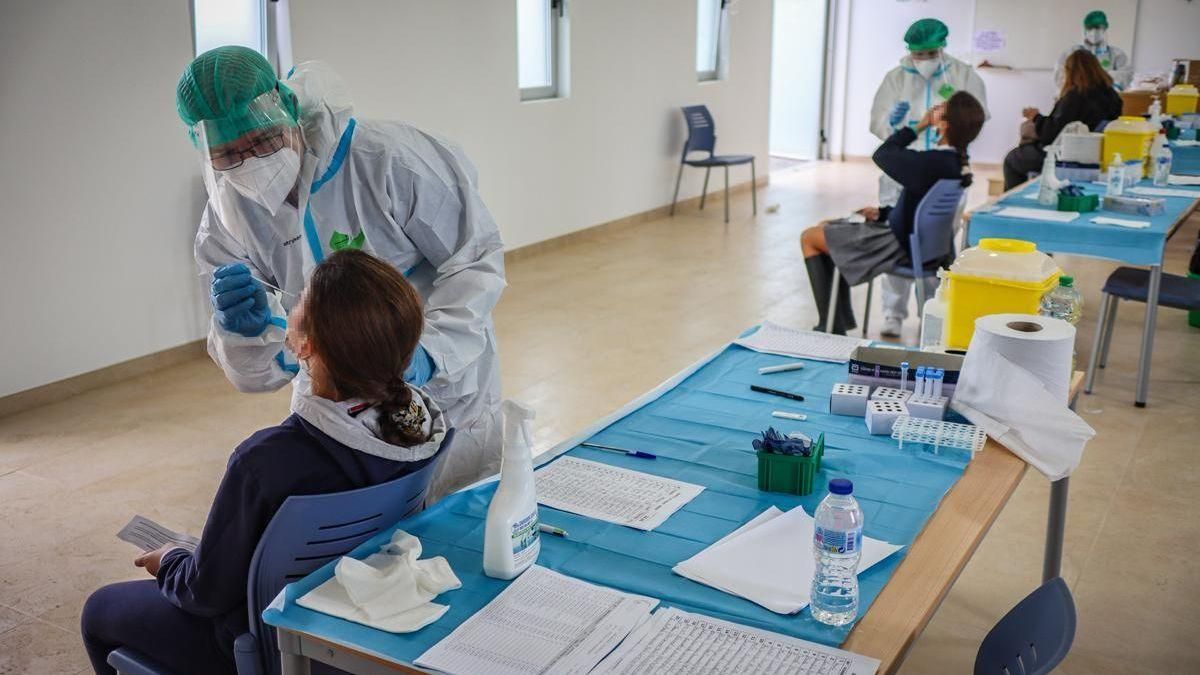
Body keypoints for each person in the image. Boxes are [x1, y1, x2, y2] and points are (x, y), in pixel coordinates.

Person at [81, 249, 451, 675]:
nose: (289, 306)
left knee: (98, 612)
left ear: (304, 343)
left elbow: (206, 594)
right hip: (354, 622)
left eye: (299, 302)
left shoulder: (263, 462)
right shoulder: (424, 429)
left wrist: (169, 561)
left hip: (260, 641)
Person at [176, 46, 505, 497]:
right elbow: (260, 373)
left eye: (263, 140)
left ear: (288, 107)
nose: (251, 163)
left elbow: (476, 260)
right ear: (203, 150)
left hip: (443, 389)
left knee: (456, 521)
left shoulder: (388, 159)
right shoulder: (227, 218)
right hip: (334, 413)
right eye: (229, 154)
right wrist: (247, 333)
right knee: (354, 539)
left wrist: (429, 352)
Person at [802, 92, 986, 335]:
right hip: (912, 240)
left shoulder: (931, 162)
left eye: (942, 108)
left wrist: (919, 126)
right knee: (826, 227)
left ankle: (831, 324)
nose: (937, 108)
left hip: (894, 245)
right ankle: (835, 322)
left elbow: (883, 153)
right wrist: (882, 213)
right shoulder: (954, 165)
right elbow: (921, 212)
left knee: (809, 237)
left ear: (944, 124)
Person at [868, 18, 989, 338]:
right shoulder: (895, 79)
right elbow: (877, 123)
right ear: (909, 52)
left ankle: (932, 310)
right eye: (918, 55)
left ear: (942, 49)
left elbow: (977, 117)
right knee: (897, 240)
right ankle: (893, 313)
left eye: (930, 53)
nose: (924, 60)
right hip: (903, 170)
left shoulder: (962, 75)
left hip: (943, 169)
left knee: (936, 244)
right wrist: (893, 125)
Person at [1004, 50, 1123, 189]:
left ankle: (1015, 200)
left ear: (1069, 71)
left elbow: (1052, 135)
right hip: (1097, 157)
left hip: (1065, 156)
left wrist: (1036, 117)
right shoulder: (1113, 96)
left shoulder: (1074, 96)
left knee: (1012, 159)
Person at [1055, 10, 1132, 91]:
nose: (1094, 32)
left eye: (1098, 28)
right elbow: (1060, 75)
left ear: (1104, 29)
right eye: (1090, 28)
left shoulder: (1117, 54)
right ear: (1085, 29)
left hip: (1105, 99)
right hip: (1077, 97)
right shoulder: (1071, 52)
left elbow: (1126, 75)